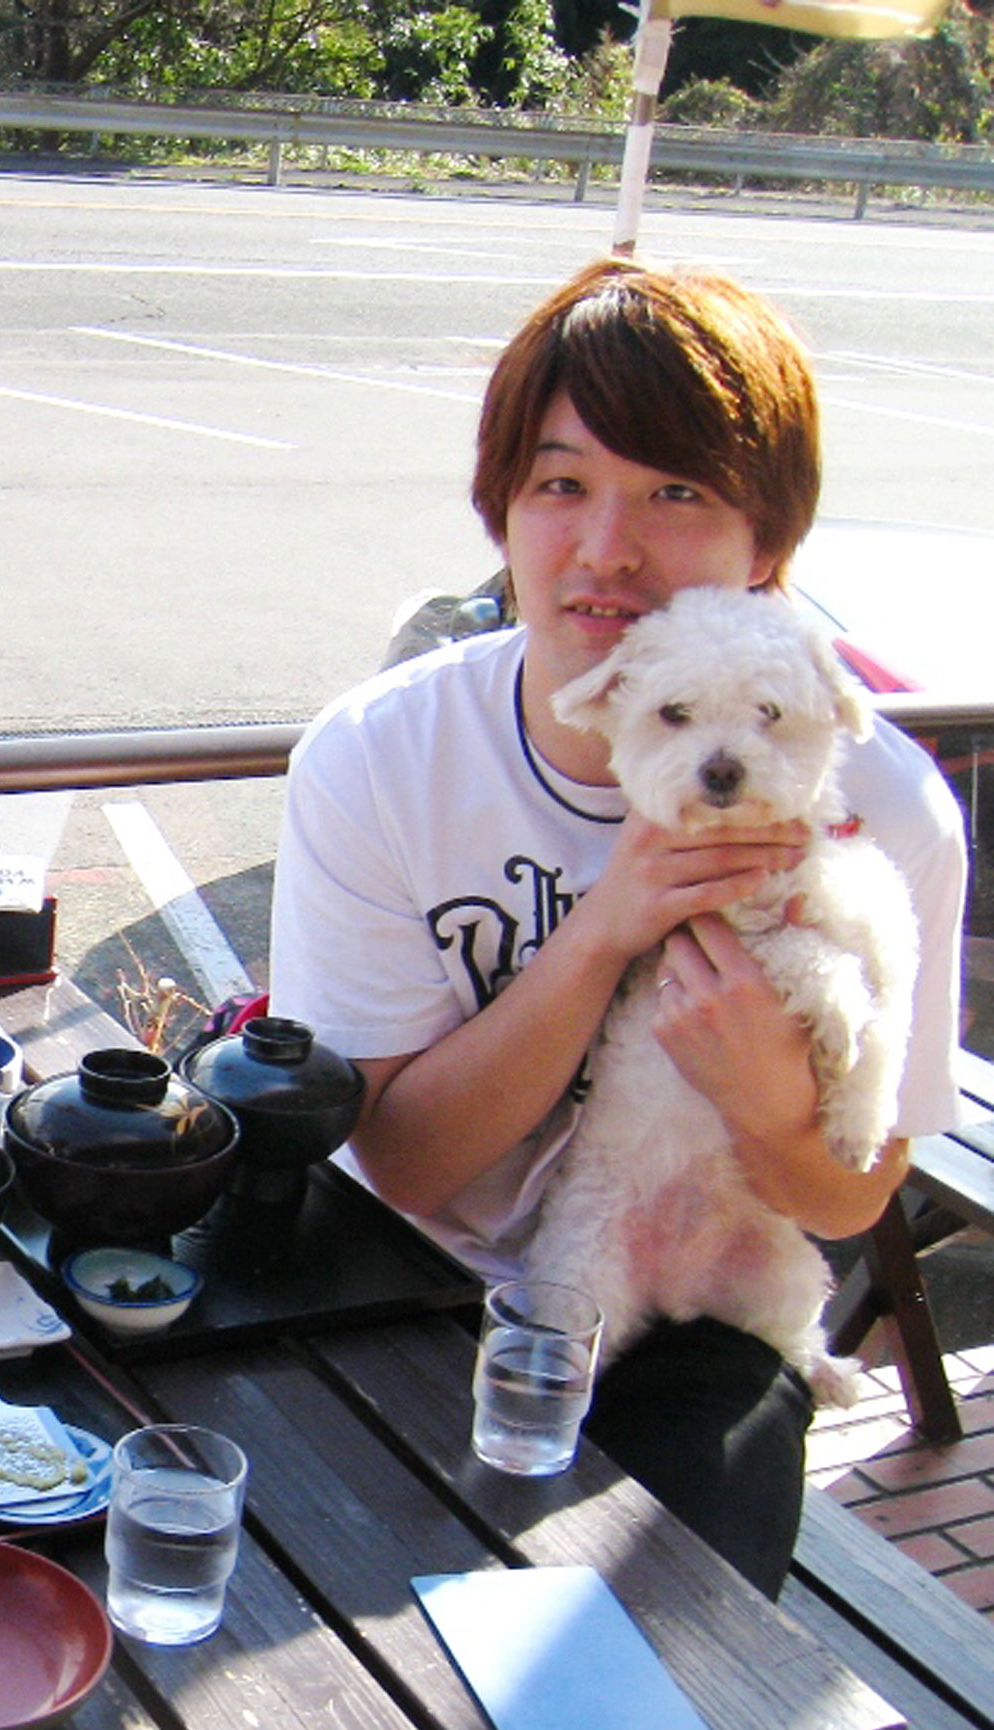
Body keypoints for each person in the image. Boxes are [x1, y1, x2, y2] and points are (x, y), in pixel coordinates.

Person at [269, 259, 966, 1596]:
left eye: (677, 493)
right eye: (563, 483)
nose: (607, 547)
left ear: (768, 544)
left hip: (705, 1308)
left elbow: (855, 1190)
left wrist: (769, 1103)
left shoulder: (879, 808)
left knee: (665, 1666)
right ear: (505, 510)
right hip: (404, 1278)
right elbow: (403, 1163)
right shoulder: (376, 758)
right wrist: (603, 931)